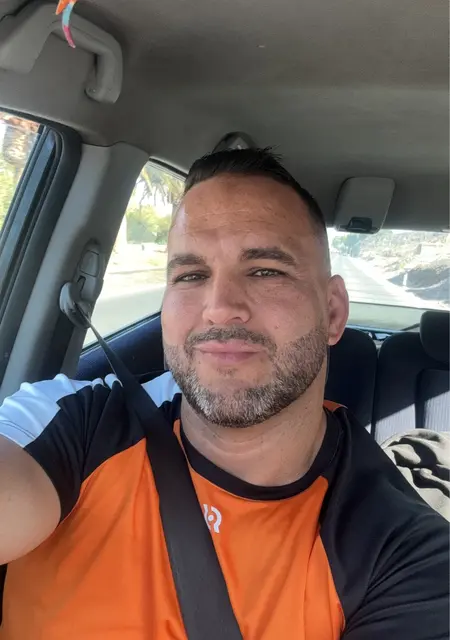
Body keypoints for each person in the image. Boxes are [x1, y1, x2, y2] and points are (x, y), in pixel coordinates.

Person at [0, 148, 448, 639]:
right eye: (191, 275)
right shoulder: (73, 424)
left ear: (333, 312)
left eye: (265, 270)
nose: (219, 307)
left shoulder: (403, 553)